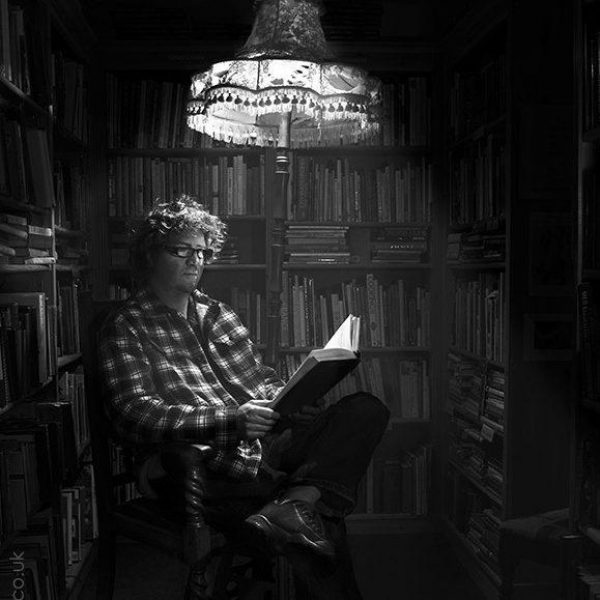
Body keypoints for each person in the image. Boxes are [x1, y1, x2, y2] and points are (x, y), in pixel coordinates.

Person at [98, 194, 390, 599]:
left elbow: (261, 380)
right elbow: (133, 414)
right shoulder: (127, 325)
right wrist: (230, 421)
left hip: (267, 449)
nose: (194, 261)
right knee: (316, 528)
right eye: (181, 250)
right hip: (203, 469)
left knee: (365, 409)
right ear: (150, 253)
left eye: (202, 251)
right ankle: (296, 508)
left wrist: (292, 400)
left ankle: (294, 504)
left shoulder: (220, 314)